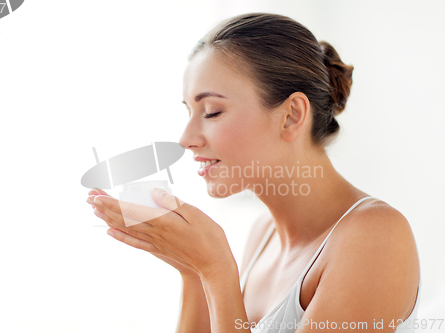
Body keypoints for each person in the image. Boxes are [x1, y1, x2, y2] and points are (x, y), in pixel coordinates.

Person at [87, 12, 420, 333]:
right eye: (190, 112)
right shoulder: (264, 235)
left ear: (291, 116)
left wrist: (215, 269)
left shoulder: (375, 237)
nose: (186, 139)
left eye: (212, 112)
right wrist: (193, 272)